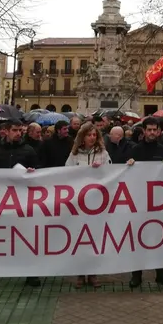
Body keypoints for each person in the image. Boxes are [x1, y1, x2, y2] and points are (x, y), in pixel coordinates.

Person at [0, 119, 41, 287]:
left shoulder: (28, 150)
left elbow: (38, 170)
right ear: (6, 131)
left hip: (21, 202)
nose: (18, 133)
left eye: (20, 130)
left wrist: (33, 171)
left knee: (25, 238)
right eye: (15, 130)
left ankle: (30, 274)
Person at [126, 117, 163, 289]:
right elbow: (126, 176)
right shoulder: (135, 150)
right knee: (138, 239)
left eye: (155, 130)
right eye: (149, 130)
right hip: (139, 203)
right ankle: (136, 275)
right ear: (144, 131)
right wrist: (129, 166)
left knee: (160, 239)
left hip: (159, 203)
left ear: (159, 131)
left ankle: (161, 274)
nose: (152, 132)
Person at [65, 123, 111, 288]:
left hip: (97, 203)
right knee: (79, 238)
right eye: (89, 135)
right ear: (82, 137)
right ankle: (80, 273)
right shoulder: (75, 154)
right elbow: (66, 173)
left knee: (94, 238)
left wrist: (101, 170)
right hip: (79, 202)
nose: (92, 137)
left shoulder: (103, 154)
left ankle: (92, 273)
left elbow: (112, 174)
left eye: (94, 135)